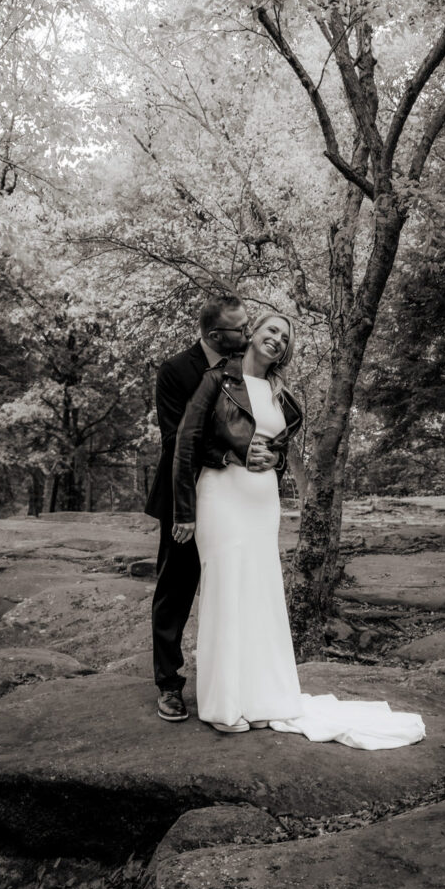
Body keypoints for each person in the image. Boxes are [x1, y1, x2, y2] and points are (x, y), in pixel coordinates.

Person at [172, 313, 425, 749]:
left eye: (285, 337)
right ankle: (224, 703)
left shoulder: (284, 399)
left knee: (260, 593)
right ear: (251, 333)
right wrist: (187, 508)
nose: (277, 339)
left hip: (262, 501)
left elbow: (279, 447)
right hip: (221, 497)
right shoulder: (217, 380)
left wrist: (275, 460)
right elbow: (187, 442)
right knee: (226, 589)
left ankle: (262, 697)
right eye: (271, 330)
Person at [145, 295, 279, 723]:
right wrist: (231, 455)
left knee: (235, 591)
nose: (247, 334)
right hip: (185, 495)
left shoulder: (246, 370)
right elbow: (175, 439)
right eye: (241, 330)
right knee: (176, 592)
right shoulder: (176, 371)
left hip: (238, 499)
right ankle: (169, 685)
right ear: (214, 334)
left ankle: (237, 684)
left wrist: (267, 456)